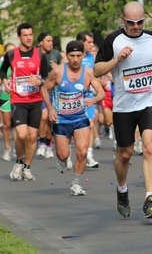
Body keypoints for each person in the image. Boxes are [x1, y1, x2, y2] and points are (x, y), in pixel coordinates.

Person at [94, 1, 152, 219]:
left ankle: (150, 199)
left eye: (140, 22)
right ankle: (122, 190)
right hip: (124, 105)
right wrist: (117, 60)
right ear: (122, 20)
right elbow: (97, 69)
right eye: (131, 22)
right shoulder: (113, 40)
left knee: (150, 147)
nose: (136, 26)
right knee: (125, 154)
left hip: (149, 101)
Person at [41, 40, 105, 195]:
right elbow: (44, 89)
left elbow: (101, 92)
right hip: (61, 119)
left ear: (83, 55)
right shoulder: (58, 72)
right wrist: (50, 109)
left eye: (78, 55)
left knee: (82, 152)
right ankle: (62, 158)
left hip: (80, 118)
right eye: (72, 56)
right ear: (67, 56)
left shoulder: (88, 72)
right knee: (63, 155)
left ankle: (76, 184)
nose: (75, 59)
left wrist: (94, 99)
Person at [0, 23, 49, 181]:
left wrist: (40, 81)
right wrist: (5, 82)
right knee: (21, 134)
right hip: (18, 99)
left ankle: (27, 166)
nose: (28, 38)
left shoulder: (40, 55)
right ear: (19, 37)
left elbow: (47, 77)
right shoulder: (12, 54)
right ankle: (19, 161)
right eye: (25, 35)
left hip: (35, 100)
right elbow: (2, 70)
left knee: (33, 137)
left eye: (30, 34)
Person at [35, 32, 63, 159]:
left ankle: (48, 144)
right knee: (44, 117)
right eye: (48, 41)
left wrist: (58, 68)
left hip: (55, 92)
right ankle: (42, 143)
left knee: (51, 119)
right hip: (41, 91)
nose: (51, 43)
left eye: (52, 41)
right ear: (41, 42)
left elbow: (64, 72)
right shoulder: (36, 54)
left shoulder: (56, 54)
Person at [76, 31, 99, 168]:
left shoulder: (92, 57)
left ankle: (88, 155)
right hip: (73, 98)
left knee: (90, 124)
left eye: (92, 42)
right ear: (81, 43)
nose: (92, 44)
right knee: (74, 127)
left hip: (88, 97)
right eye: (89, 42)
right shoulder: (71, 57)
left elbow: (97, 72)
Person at [0, 43, 16, 161]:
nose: (12, 53)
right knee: (7, 125)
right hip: (5, 96)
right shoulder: (0, 66)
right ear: (5, 53)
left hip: (17, 97)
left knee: (18, 125)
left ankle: (17, 148)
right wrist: (4, 81)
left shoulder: (19, 64)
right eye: (9, 51)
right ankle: (7, 148)